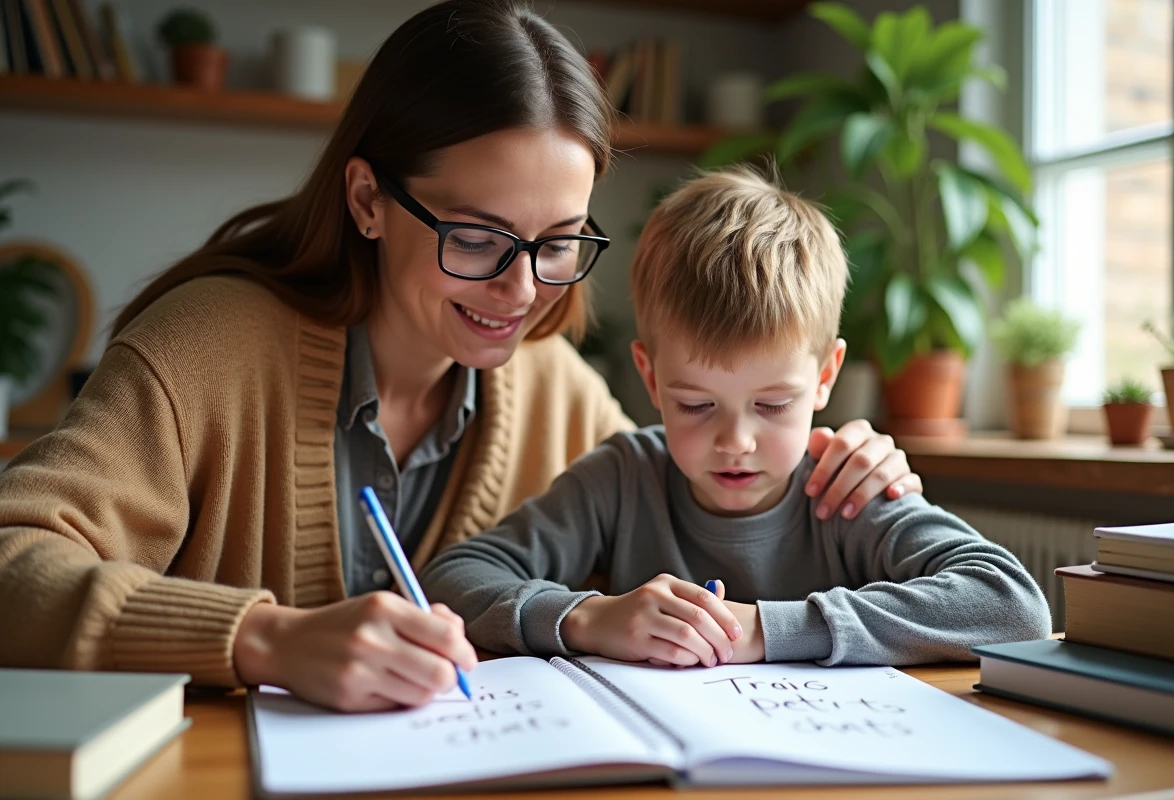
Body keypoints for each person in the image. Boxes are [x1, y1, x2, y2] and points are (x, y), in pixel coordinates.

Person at [0, 0, 925, 712]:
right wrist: (264, 639)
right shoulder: (209, 348)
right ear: (367, 200)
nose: (522, 292)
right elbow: (14, 562)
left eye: (558, 242)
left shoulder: (560, 391)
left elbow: (703, 519)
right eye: (478, 238)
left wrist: (843, 469)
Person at [422, 167, 1052, 669]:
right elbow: (451, 578)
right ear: (649, 378)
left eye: (773, 405)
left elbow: (1013, 606)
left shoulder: (842, 487)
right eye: (695, 404)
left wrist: (765, 629)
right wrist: (585, 616)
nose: (735, 441)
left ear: (825, 377)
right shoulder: (622, 478)